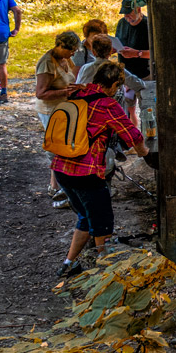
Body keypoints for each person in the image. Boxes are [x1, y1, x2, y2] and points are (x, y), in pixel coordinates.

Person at [52, 62, 149, 278]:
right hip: (85, 173)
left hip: (61, 169)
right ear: (114, 84)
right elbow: (133, 136)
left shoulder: (77, 93)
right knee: (102, 223)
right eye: (118, 87)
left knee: (86, 216)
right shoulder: (107, 104)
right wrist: (145, 153)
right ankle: (105, 273)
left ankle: (69, 263)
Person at [36, 31, 84, 209]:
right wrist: (65, 92)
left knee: (62, 149)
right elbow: (40, 93)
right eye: (71, 50)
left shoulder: (65, 60)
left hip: (64, 110)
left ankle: (55, 187)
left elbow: (70, 78)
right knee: (59, 150)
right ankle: (65, 189)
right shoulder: (47, 63)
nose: (73, 54)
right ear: (61, 46)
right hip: (50, 112)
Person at [76, 34, 146, 119]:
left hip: (90, 114)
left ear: (93, 52)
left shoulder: (85, 68)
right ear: (111, 51)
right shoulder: (116, 69)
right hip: (113, 114)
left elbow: (78, 88)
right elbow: (138, 84)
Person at [115, 0, 151, 80]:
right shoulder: (121, 23)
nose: (127, 17)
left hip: (144, 76)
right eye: (124, 14)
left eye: (129, 13)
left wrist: (136, 53)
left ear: (138, 10)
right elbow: (117, 42)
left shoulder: (148, 26)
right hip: (124, 75)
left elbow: (156, 54)